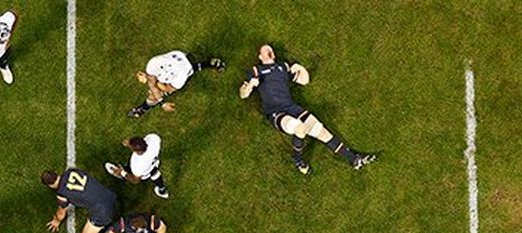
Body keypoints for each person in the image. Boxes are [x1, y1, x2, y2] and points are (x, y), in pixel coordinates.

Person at [239, 44, 376, 175]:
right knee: (300, 128)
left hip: (292, 107)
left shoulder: (282, 67)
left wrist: (300, 67)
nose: (269, 49)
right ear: (260, 57)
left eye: (270, 49)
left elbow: (305, 81)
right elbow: (243, 94)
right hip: (276, 112)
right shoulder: (257, 70)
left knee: (321, 131)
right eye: (265, 49)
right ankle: (298, 160)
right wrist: (250, 85)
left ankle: (354, 159)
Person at [128, 50, 225, 117]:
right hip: (177, 56)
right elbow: (151, 83)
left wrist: (154, 85)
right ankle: (210, 63)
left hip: (184, 67)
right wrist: (160, 100)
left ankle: (143, 108)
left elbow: (167, 88)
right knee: (155, 91)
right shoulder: (154, 63)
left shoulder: (180, 77)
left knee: (155, 94)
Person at [42, 168, 117, 233]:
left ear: (50, 185)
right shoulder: (71, 171)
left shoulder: (62, 194)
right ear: (56, 173)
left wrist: (57, 221)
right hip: (109, 195)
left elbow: (61, 213)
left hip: (104, 213)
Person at [104, 134, 170, 199]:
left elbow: (135, 180)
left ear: (137, 151)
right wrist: (131, 143)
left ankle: (118, 172)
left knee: (128, 171)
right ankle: (162, 190)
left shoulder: (137, 166)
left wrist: (122, 173)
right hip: (155, 164)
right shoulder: (154, 138)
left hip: (144, 174)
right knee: (155, 173)